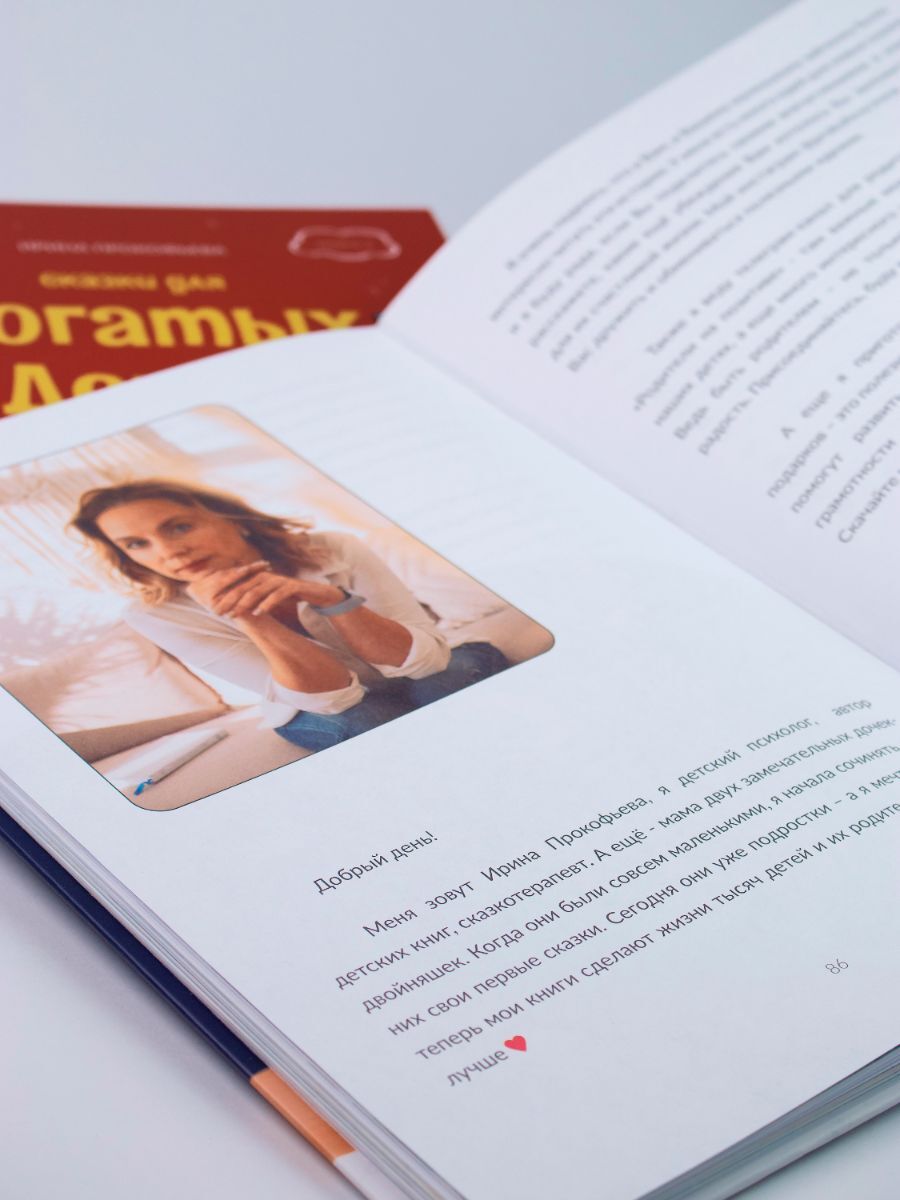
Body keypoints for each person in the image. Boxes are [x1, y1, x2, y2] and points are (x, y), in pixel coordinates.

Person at [69, 480, 509, 752]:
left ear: (231, 518)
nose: (169, 552)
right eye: (137, 544)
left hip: (425, 667)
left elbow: (425, 662)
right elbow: (331, 700)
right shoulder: (156, 615)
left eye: (179, 526)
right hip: (317, 704)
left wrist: (334, 600)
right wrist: (248, 616)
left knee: (444, 682)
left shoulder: (334, 549)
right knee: (366, 723)